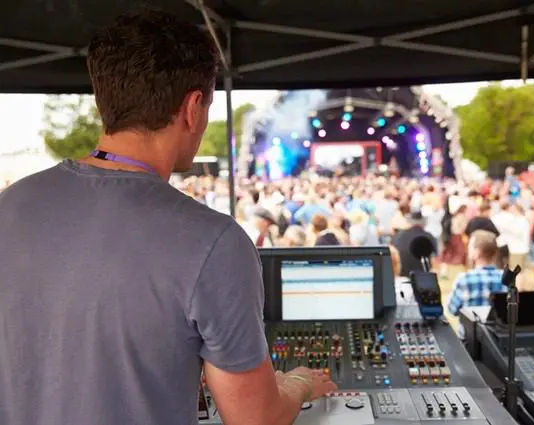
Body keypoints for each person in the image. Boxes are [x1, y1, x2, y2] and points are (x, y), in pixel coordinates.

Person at [0, 10, 335, 425]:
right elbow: (255, 418)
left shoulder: (8, 207)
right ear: (193, 107)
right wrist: (300, 382)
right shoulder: (215, 242)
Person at [447, 232, 507, 338]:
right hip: (497, 342)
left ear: (477, 252)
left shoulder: (464, 279)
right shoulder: (505, 278)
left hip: (468, 341)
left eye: (470, 246)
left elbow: (452, 310)